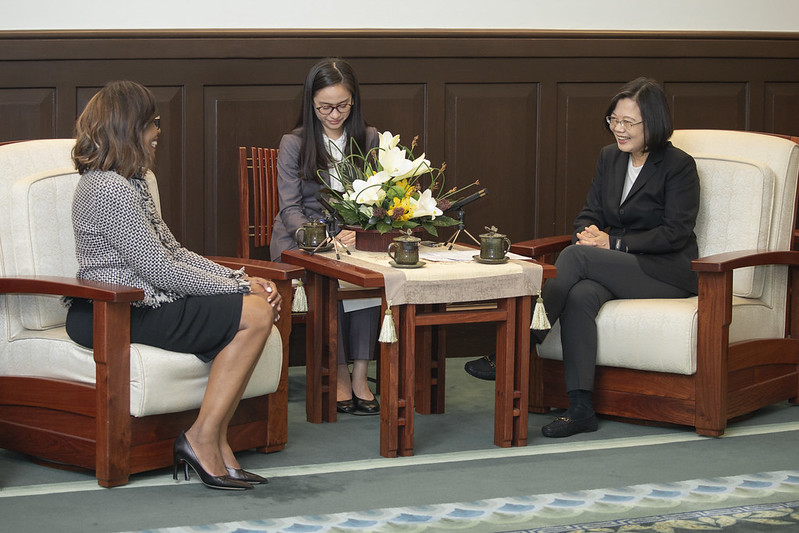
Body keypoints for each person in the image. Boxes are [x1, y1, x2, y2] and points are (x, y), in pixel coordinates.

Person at [65, 80, 282, 490]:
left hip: (143, 303)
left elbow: (174, 252)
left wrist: (237, 278)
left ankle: (214, 440)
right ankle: (201, 439)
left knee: (257, 307)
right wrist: (237, 289)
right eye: (152, 123)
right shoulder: (108, 187)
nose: (158, 132)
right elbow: (158, 269)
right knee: (254, 312)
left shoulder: (131, 180)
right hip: (114, 311)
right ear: (129, 127)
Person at [465, 77, 700, 438]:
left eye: (628, 123)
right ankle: (580, 409)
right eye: (614, 120)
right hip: (619, 266)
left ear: (652, 122)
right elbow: (587, 214)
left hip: (668, 272)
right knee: (579, 295)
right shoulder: (610, 158)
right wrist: (588, 234)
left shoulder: (678, 165)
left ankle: (514, 348)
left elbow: (675, 233)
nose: (618, 130)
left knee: (575, 258)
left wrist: (613, 245)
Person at [269, 57, 381, 415]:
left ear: (354, 101)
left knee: (369, 278)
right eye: (325, 107)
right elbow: (290, 210)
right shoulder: (294, 143)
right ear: (311, 103)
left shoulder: (369, 138)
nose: (335, 115)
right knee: (333, 279)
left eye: (343, 106)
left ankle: (361, 374)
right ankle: (341, 376)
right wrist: (319, 240)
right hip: (302, 242)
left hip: (351, 239)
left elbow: (376, 202)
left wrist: (356, 231)